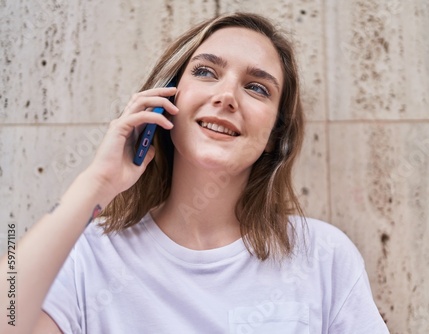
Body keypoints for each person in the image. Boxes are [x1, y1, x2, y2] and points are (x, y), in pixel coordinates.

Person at [0, 12, 389, 334]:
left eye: (257, 88)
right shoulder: (91, 257)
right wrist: (96, 184)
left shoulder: (323, 256)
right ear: (166, 100)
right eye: (205, 72)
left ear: (275, 135)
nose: (227, 97)